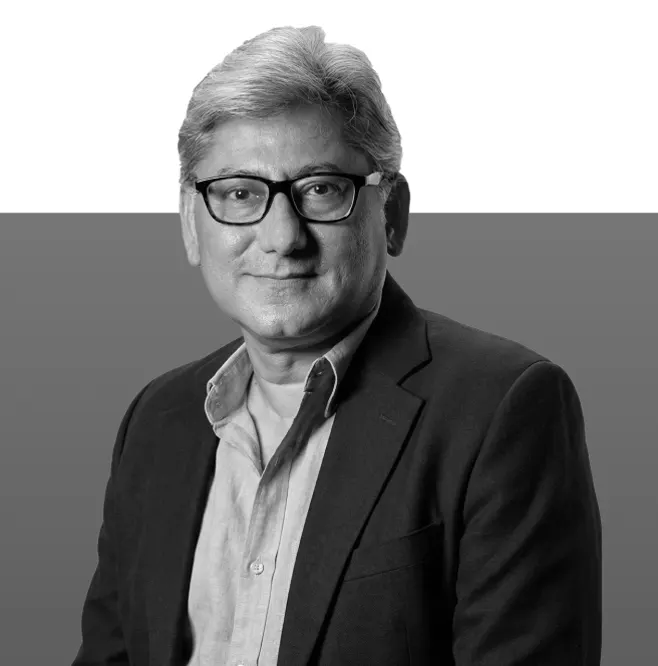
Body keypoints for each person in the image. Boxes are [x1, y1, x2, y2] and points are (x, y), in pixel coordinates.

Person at [72, 25, 602, 666]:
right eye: (239, 194)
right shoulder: (156, 421)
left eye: (320, 189)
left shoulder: (502, 410)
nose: (281, 237)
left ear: (392, 213)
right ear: (191, 222)